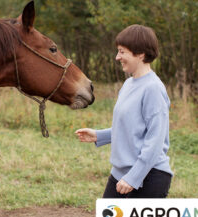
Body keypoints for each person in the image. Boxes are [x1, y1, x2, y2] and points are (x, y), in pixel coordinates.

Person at [75, 24, 173, 198]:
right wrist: (100, 135)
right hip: (120, 173)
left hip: (149, 176)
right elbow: (132, 128)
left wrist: (133, 178)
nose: (117, 57)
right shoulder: (128, 84)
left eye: (122, 52)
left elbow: (155, 140)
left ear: (141, 54)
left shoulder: (153, 88)